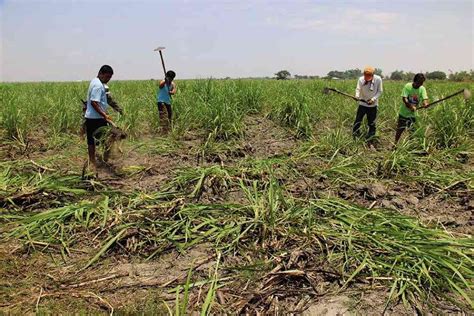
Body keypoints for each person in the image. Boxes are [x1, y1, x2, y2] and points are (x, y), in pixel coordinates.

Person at [84, 65, 119, 172]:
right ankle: (105, 159)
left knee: (91, 141)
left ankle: (93, 162)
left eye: (110, 78)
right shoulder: (99, 85)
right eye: (107, 77)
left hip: (90, 117)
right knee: (108, 138)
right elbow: (94, 102)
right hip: (97, 118)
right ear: (101, 73)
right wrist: (104, 114)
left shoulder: (94, 81)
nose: (108, 79)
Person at [394, 73, 429, 144]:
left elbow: (424, 98)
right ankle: (395, 144)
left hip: (413, 115)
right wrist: (411, 106)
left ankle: (411, 146)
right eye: (419, 82)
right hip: (403, 113)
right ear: (415, 81)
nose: (420, 84)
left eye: (422, 83)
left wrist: (425, 103)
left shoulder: (422, 88)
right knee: (400, 130)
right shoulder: (408, 86)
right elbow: (404, 99)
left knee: (412, 131)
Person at [352, 66, 383, 144]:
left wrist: (373, 99)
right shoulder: (361, 79)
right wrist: (357, 96)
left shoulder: (378, 79)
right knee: (358, 120)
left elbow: (380, 91)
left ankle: (371, 137)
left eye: (369, 76)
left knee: (372, 123)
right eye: (366, 75)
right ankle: (355, 135)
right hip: (362, 104)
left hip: (373, 105)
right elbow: (358, 89)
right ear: (364, 74)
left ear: (373, 75)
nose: (367, 77)